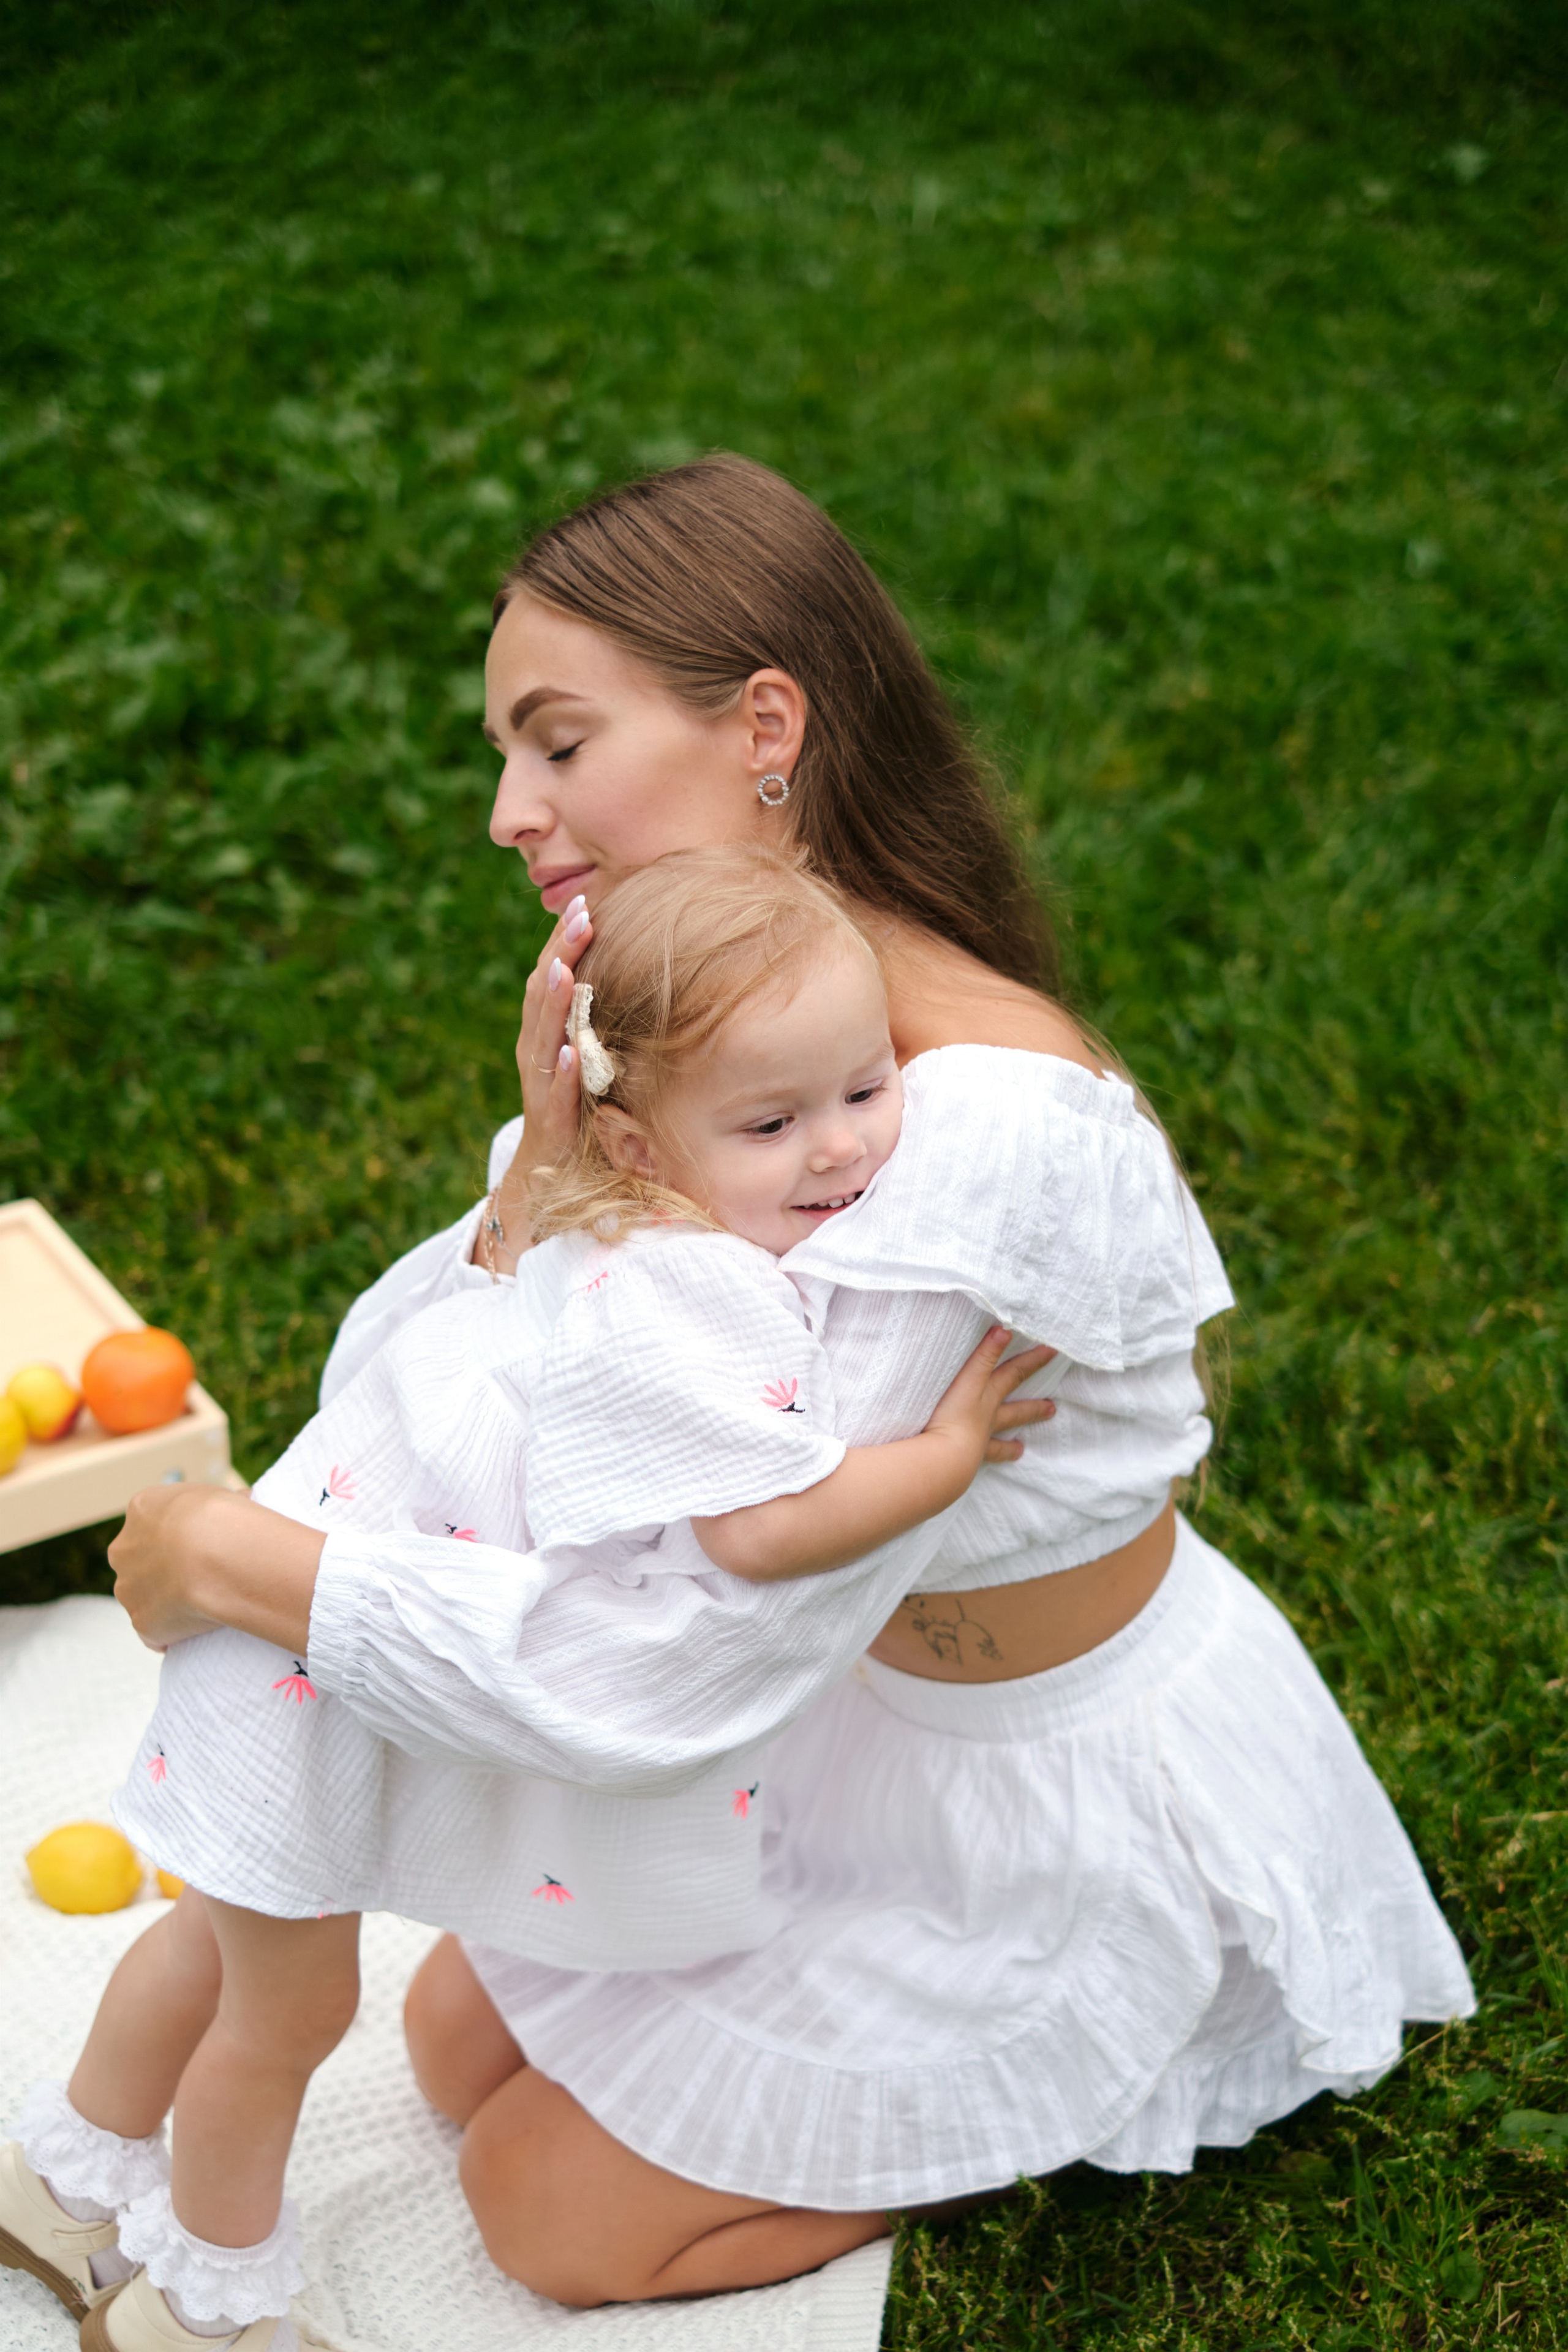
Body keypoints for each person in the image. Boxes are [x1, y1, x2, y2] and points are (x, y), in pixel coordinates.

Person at [91, 456, 1472, 2311]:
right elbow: (515, 1395)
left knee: (538, 2208)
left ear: (763, 729)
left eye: (555, 743)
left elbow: (663, 1653)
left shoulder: (962, 1143)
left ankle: (1094, 2054)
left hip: (1017, 1814)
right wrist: (547, 1161)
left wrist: (241, 1568)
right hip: (841, 1731)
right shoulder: (763, 1053)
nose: (510, 810)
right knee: (446, 2040)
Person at [0, 849, 1056, 2351]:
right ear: (636, 1138)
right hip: (316, 1665)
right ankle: (202, 2303)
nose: (839, 1153)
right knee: (285, 2014)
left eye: (865, 1089)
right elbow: (760, 1533)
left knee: (211, 1945)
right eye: (771, 1122)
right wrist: (940, 1455)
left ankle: (65, 2179)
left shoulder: (588, 1204)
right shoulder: (696, 1291)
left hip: (292, 1637)